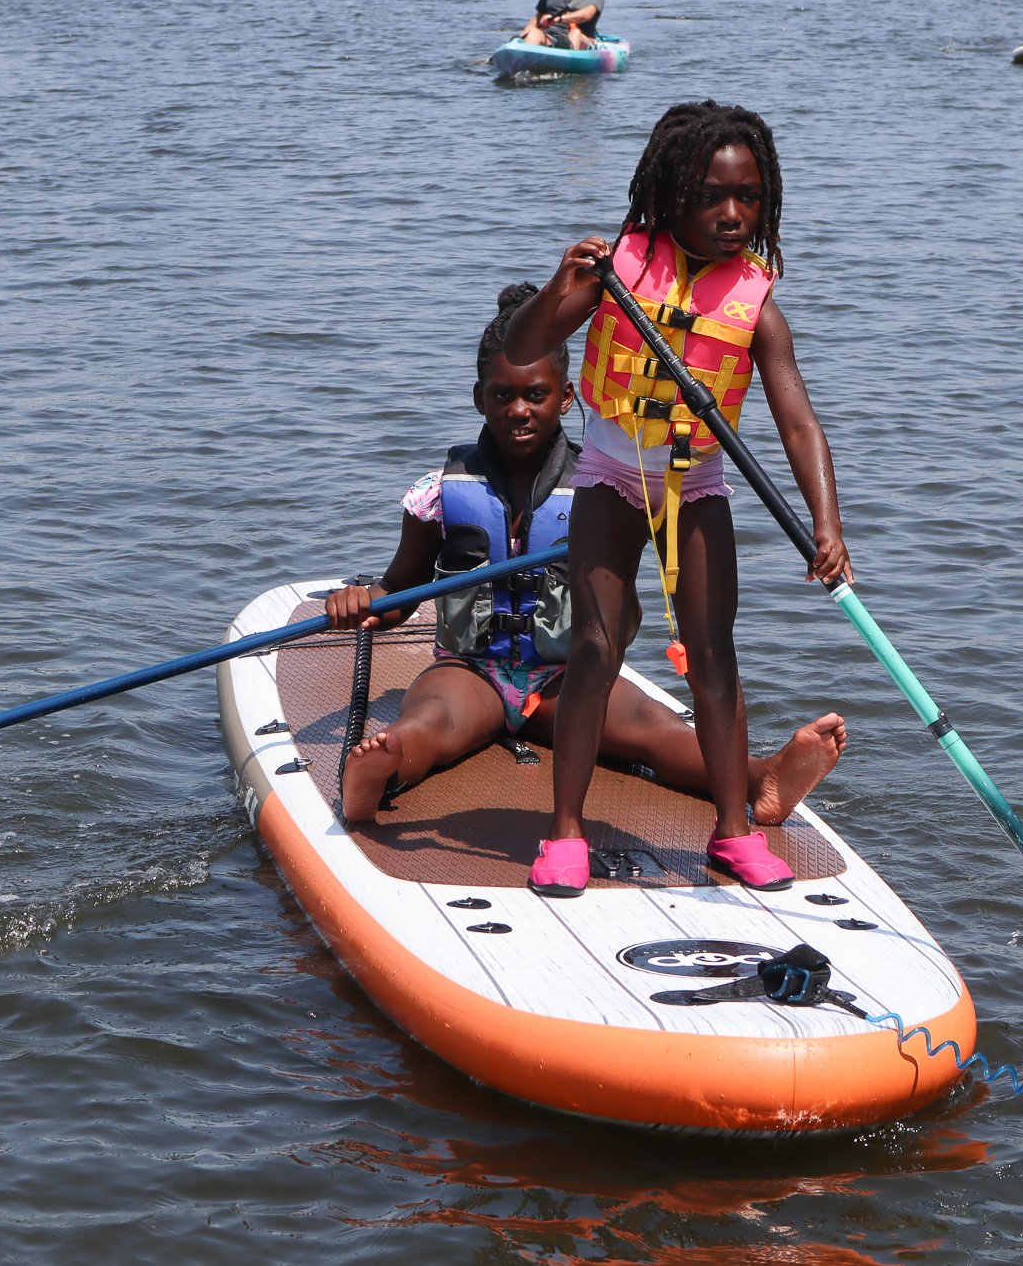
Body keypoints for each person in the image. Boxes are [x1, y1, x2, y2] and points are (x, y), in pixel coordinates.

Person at [325, 283, 850, 872]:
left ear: (568, 396)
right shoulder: (438, 493)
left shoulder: (601, 492)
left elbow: (625, 615)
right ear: (478, 399)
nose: (518, 409)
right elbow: (400, 590)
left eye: (536, 395)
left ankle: (762, 780)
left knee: (653, 730)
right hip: (470, 669)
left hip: (567, 677)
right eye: (502, 396)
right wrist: (362, 600)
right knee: (432, 722)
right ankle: (380, 769)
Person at [503, 101, 853, 898]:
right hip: (610, 479)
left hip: (695, 483)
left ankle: (733, 832)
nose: (733, 214)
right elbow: (525, 350)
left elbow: (798, 422)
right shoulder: (616, 270)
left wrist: (828, 526)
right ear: (669, 196)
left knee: (715, 653)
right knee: (595, 648)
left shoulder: (756, 303)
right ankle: (564, 832)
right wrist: (563, 284)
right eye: (711, 196)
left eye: (751, 197)